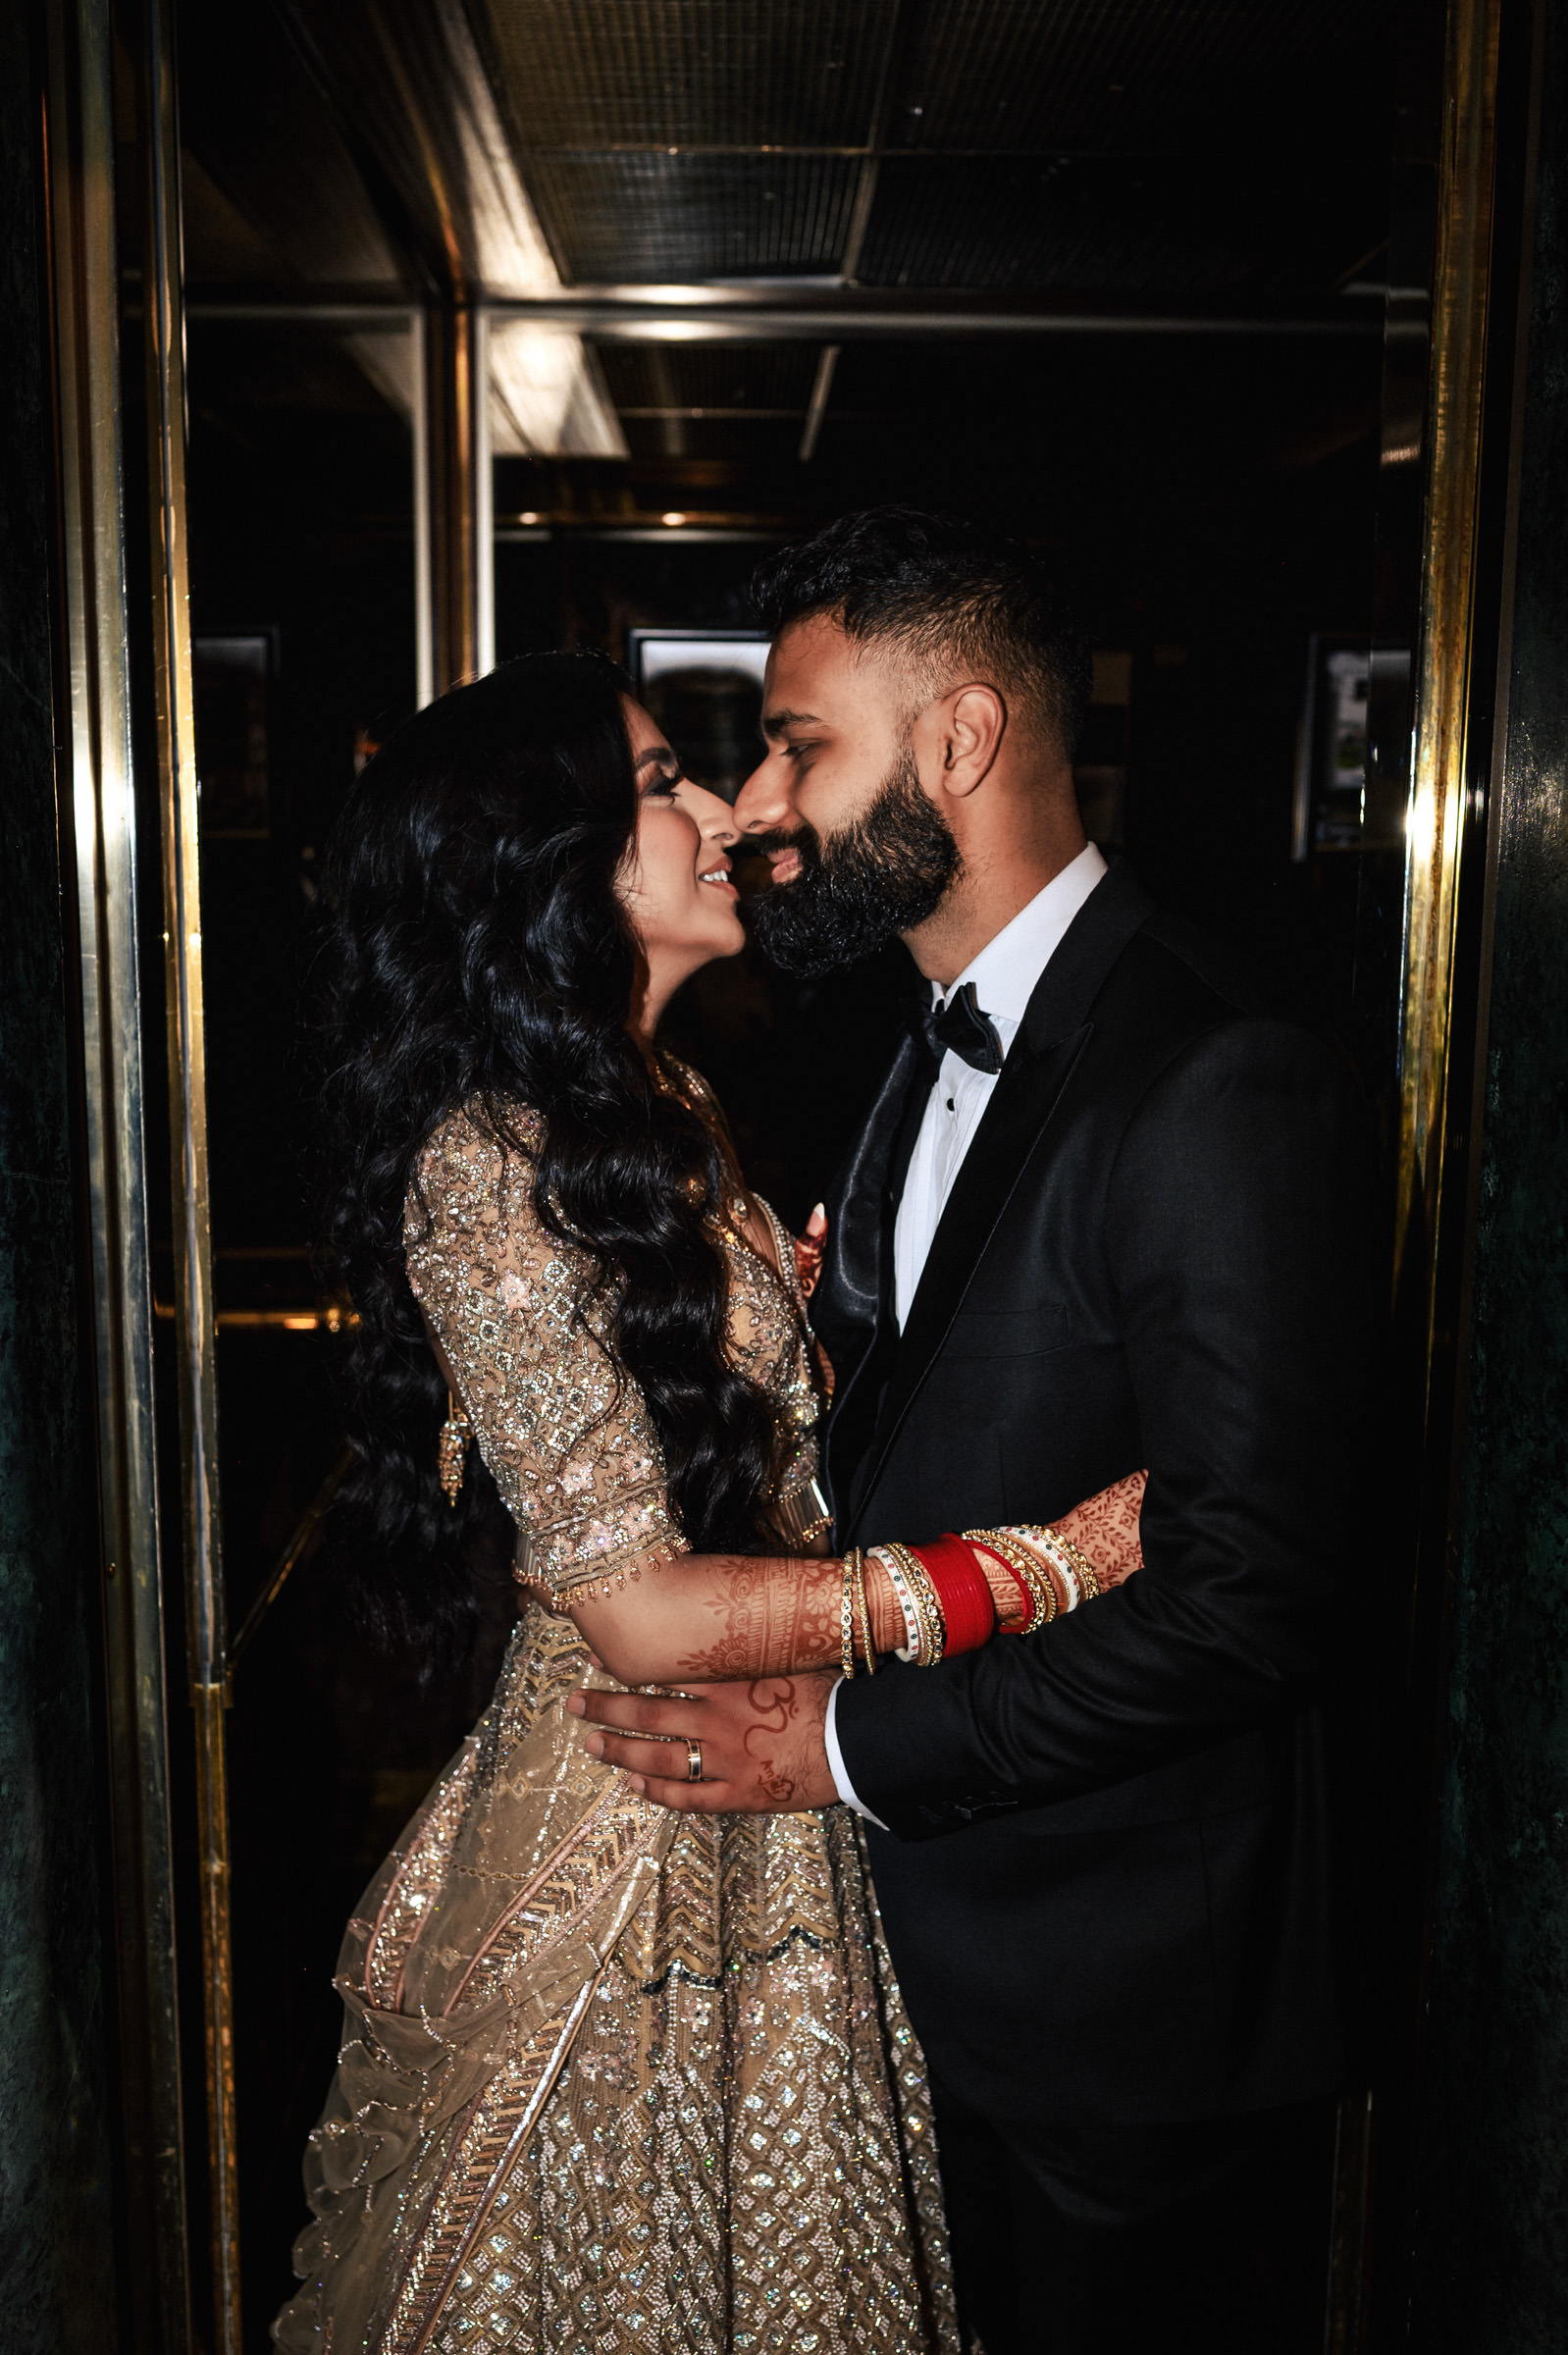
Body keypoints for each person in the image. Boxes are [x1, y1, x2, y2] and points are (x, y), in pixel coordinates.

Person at [276, 650, 1144, 2353]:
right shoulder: (488, 1164)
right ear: (553, 864)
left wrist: (784, 1331)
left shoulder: (654, 1103)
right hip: (631, 1817)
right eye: (662, 782)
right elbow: (641, 1609)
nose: (722, 814)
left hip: (754, 1783)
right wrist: (1039, 1569)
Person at [574, 512, 1372, 2355]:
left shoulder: (1216, 1069)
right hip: (917, 1961)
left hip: (1123, 2007)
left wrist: (842, 1745)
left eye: (799, 744)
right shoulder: (911, 1033)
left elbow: (1248, 1600)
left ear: (960, 738)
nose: (761, 802)